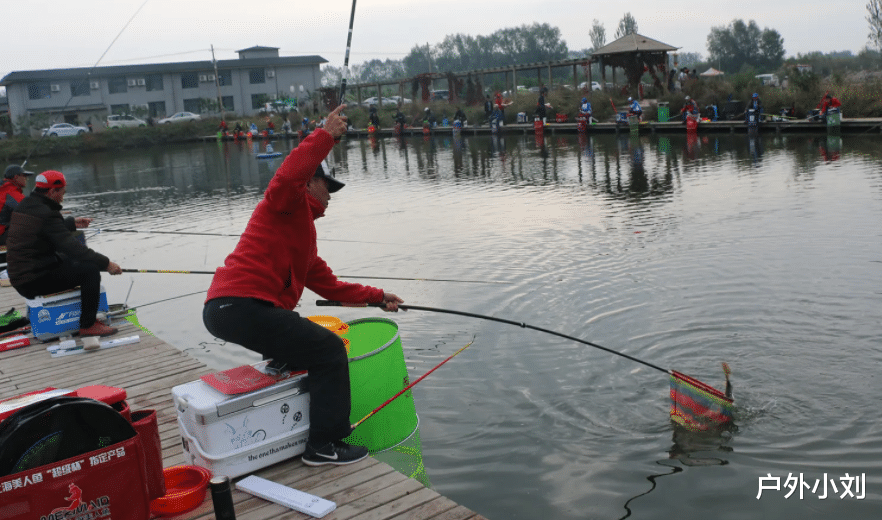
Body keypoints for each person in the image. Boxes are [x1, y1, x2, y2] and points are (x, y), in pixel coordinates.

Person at [203, 104, 403, 467]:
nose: (331, 195)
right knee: (328, 350)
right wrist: (325, 135)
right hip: (241, 304)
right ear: (310, 181)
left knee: (299, 352)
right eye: (328, 186)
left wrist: (378, 297)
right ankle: (324, 444)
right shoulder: (284, 202)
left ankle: (288, 433)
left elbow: (332, 287)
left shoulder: (304, 235)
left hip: (229, 311)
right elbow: (287, 175)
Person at [6, 170, 123, 337]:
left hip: (21, 274)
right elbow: (75, 249)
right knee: (90, 270)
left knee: (74, 261)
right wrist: (106, 264)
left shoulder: (27, 204)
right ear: (52, 191)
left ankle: (88, 318)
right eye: (62, 192)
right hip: (32, 280)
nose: (63, 197)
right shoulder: (46, 213)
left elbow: (44, 229)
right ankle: (88, 325)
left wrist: (71, 223)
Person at [0, 165, 35, 245]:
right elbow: (30, 210)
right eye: (24, 176)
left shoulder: (3, 188)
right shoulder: (11, 193)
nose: (26, 179)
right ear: (16, 177)